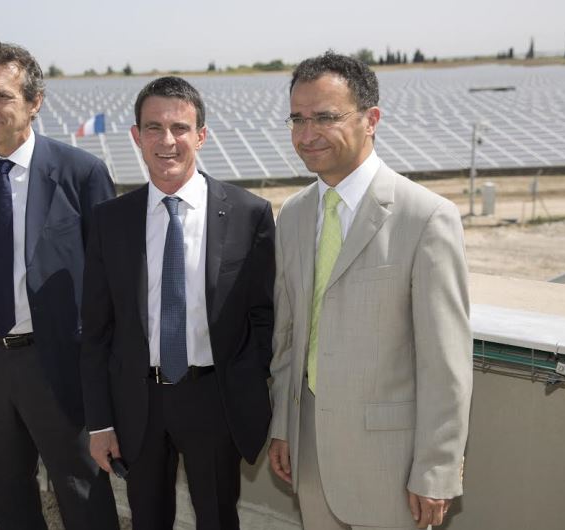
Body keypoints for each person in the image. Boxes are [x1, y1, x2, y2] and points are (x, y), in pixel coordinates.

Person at [268, 52, 473, 530]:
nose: (306, 133)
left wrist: (436, 469)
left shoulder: (425, 218)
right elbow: (288, 335)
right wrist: (283, 426)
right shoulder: (294, 215)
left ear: (371, 119)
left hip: (393, 464)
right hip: (310, 452)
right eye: (297, 118)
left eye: (325, 117)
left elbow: (446, 362)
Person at [0, 40, 119, 530]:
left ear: (35, 102)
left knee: (80, 487)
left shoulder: (81, 174)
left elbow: (107, 287)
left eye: (2, 95)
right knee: (6, 486)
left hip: (56, 360)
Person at [81, 76, 275, 530]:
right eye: (153, 127)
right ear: (136, 136)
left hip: (213, 399)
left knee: (217, 517)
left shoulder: (249, 214)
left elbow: (264, 315)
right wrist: (99, 423)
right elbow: (95, 330)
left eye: (180, 128)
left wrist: (244, 378)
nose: (166, 141)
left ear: (201, 135)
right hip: (137, 402)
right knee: (147, 518)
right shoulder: (110, 221)